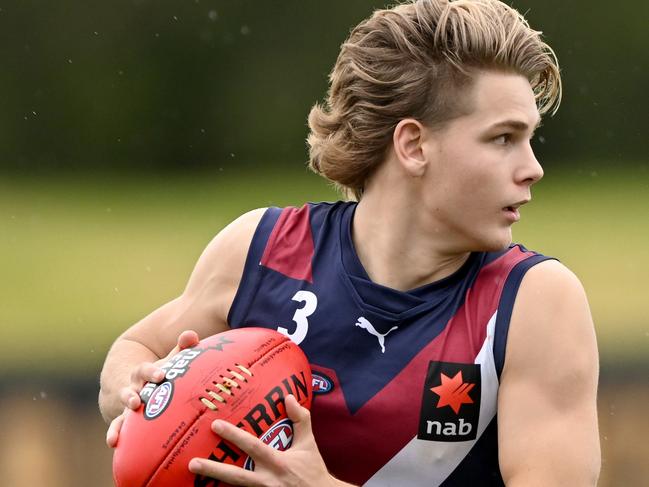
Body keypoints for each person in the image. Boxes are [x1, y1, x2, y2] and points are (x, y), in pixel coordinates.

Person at [98, 0, 601, 485]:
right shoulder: (263, 249)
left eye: (529, 138)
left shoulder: (535, 304)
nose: (533, 168)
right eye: (503, 138)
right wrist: (142, 392)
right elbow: (135, 349)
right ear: (413, 145)